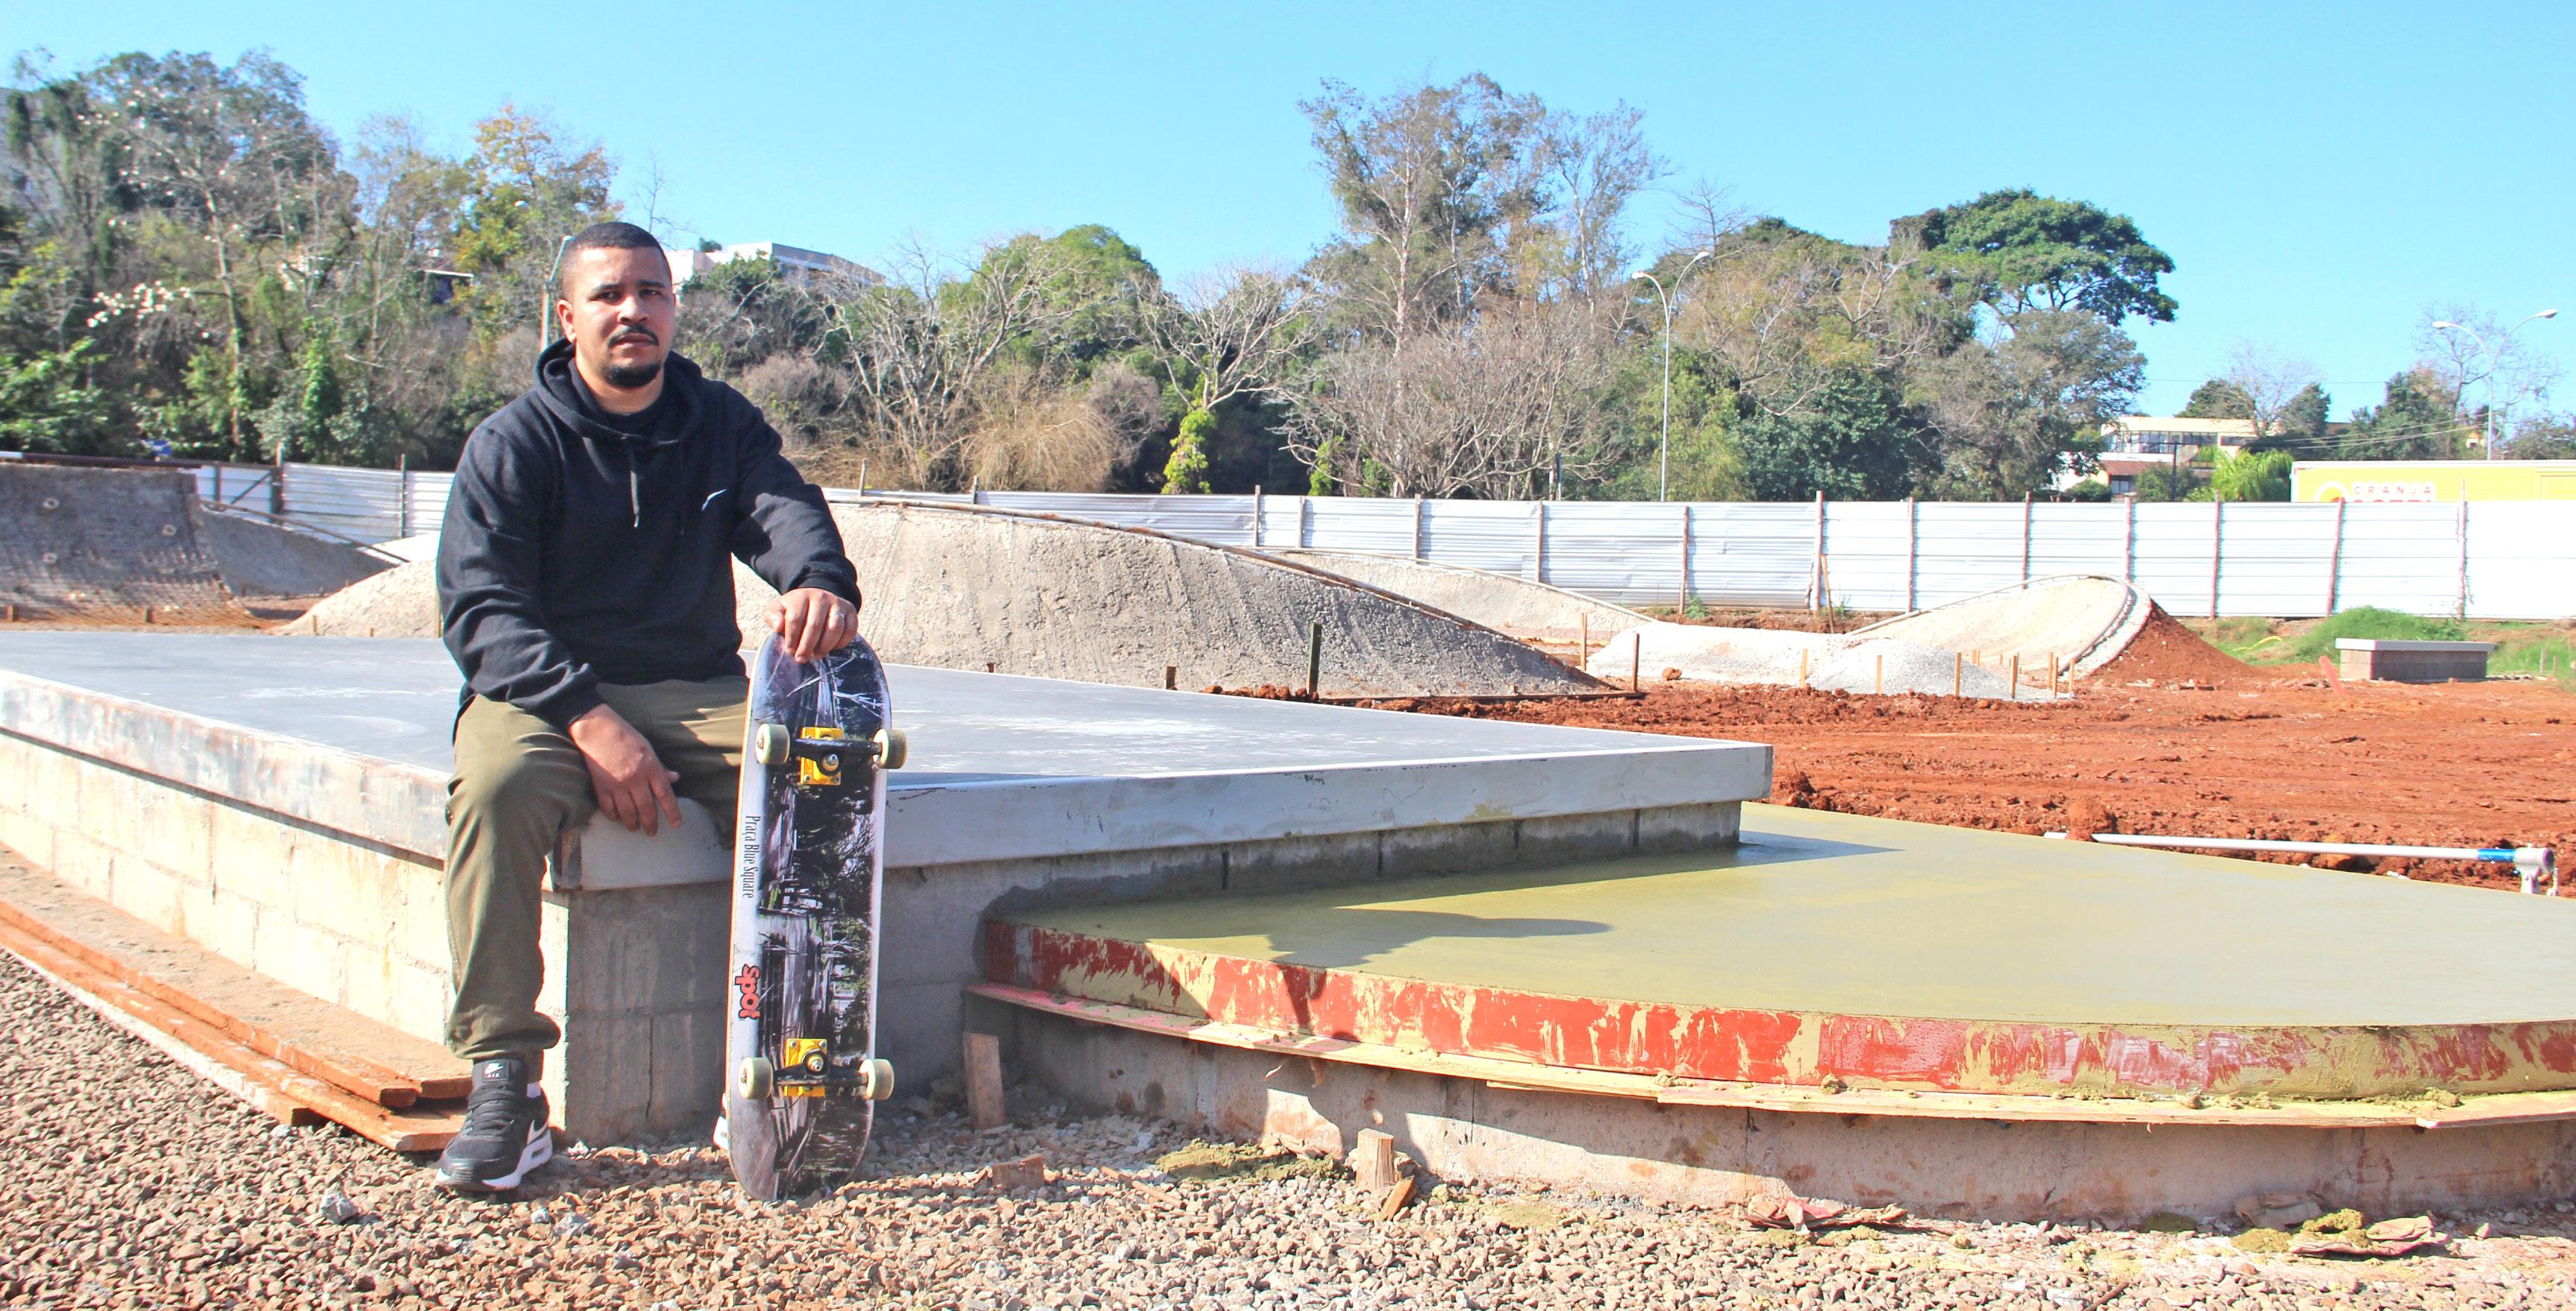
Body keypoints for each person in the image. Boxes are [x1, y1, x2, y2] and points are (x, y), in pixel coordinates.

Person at [430, 221, 861, 1192]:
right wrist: (590, 721)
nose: (634, 311)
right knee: (495, 790)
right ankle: (505, 1081)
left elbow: (784, 509)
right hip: (541, 697)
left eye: (653, 293)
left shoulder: (718, 423)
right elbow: (481, 611)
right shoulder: (513, 443)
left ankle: (789, 1062)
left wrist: (819, 580)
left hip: (692, 689)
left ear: (674, 308)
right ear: (567, 317)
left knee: (816, 776)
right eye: (611, 295)